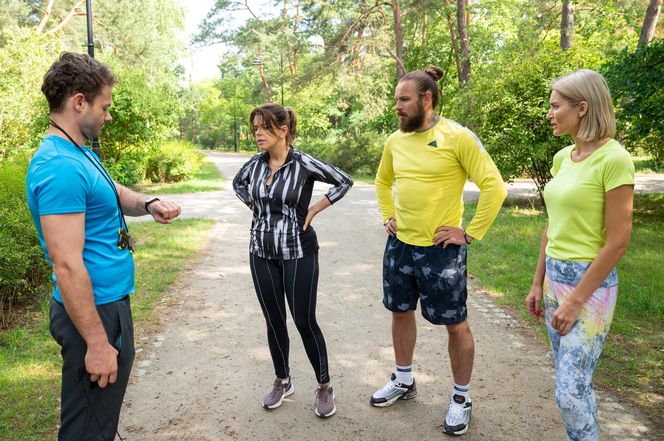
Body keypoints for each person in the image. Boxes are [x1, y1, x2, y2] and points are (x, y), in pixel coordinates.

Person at [26, 52, 181, 440]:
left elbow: (112, 192)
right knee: (87, 429)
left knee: (101, 420)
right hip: (91, 313)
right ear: (79, 101)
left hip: (108, 304)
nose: (108, 116)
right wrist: (96, 342)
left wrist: (148, 203)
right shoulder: (59, 166)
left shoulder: (79, 152)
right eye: (104, 106)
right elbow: (66, 265)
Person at [372, 66, 507, 436]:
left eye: (404, 99)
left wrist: (470, 233)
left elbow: (495, 187)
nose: (396, 106)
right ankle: (404, 380)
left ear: (426, 99)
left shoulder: (457, 136)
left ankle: (461, 397)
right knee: (400, 312)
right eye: (396, 99)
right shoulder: (394, 142)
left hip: (440, 251)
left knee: (455, 323)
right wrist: (388, 215)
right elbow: (383, 182)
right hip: (400, 246)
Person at [525, 69, 634, 441]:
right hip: (554, 279)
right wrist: (537, 282)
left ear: (582, 108)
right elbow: (551, 226)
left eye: (556, 106)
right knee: (575, 385)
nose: (550, 113)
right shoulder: (561, 158)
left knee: (568, 392)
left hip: (590, 289)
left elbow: (619, 240)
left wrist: (575, 301)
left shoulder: (615, 159)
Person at [233, 103, 353, 418]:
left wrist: (314, 209)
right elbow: (238, 184)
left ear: (283, 130)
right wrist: (256, 207)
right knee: (274, 320)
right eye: (255, 127)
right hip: (260, 251)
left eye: (263, 127)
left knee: (303, 321)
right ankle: (282, 380)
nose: (257, 133)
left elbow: (343, 181)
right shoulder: (255, 165)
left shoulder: (303, 163)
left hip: (298, 252)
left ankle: (325, 386)